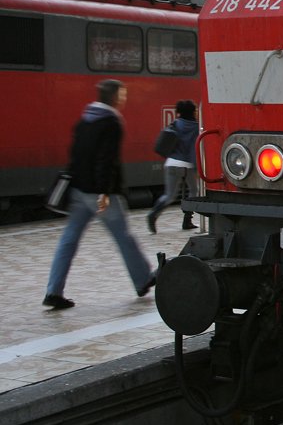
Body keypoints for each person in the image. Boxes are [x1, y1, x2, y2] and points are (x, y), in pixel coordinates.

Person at [43, 79, 156, 310]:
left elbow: (75, 153)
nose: (124, 99)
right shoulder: (111, 122)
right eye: (123, 95)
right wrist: (104, 191)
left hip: (79, 190)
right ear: (115, 97)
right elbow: (107, 159)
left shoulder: (86, 118)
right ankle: (142, 279)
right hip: (100, 193)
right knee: (123, 236)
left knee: (68, 240)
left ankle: (53, 290)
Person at [147, 99, 200, 233]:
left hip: (171, 163)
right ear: (193, 112)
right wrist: (197, 166)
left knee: (169, 195)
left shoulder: (175, 123)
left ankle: (153, 214)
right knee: (193, 192)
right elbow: (194, 149)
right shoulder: (196, 127)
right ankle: (187, 220)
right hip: (187, 165)